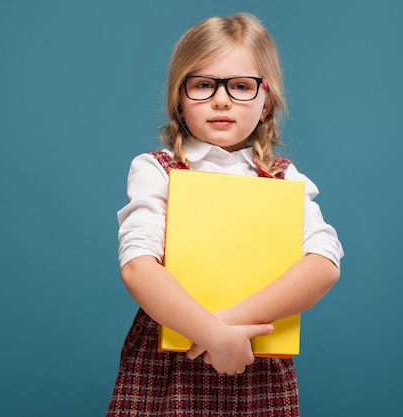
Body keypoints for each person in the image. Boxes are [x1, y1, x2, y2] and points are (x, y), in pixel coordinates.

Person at [105, 12, 343, 417]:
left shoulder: (285, 179)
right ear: (179, 99)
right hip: (169, 365)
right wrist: (210, 333)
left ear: (267, 101)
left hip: (256, 360)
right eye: (202, 84)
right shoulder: (156, 169)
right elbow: (138, 267)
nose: (221, 99)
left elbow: (323, 264)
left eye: (240, 86)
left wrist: (227, 327)